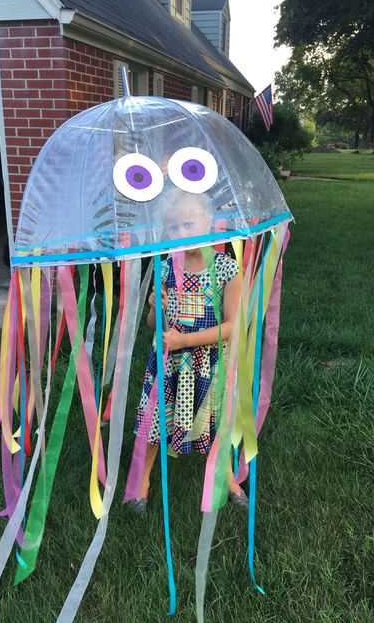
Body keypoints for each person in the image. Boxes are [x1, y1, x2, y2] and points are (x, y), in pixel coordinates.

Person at [131, 192, 248, 512]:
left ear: (208, 223)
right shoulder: (166, 268)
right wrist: (155, 307)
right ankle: (143, 479)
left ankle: (226, 476)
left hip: (207, 364)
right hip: (169, 366)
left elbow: (232, 326)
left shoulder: (226, 269)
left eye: (188, 224)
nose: (182, 234)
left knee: (214, 421)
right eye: (173, 228)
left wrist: (185, 341)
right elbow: (153, 326)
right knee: (156, 422)